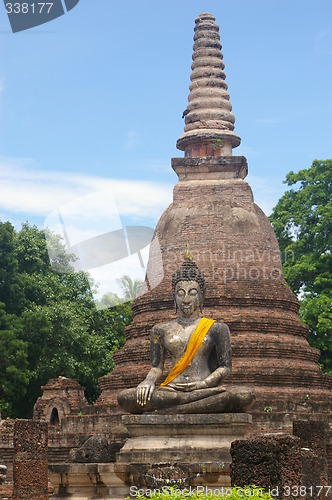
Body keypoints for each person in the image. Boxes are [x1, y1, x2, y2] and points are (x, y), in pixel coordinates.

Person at [118, 253, 255, 414]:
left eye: (192, 292)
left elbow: (225, 367)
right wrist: (148, 381)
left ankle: (172, 409)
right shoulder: (160, 330)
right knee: (126, 397)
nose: (186, 299)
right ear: (173, 297)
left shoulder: (217, 328)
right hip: (172, 390)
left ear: (202, 295)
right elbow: (156, 368)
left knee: (244, 395)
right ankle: (190, 406)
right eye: (180, 293)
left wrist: (203, 385)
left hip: (204, 389)